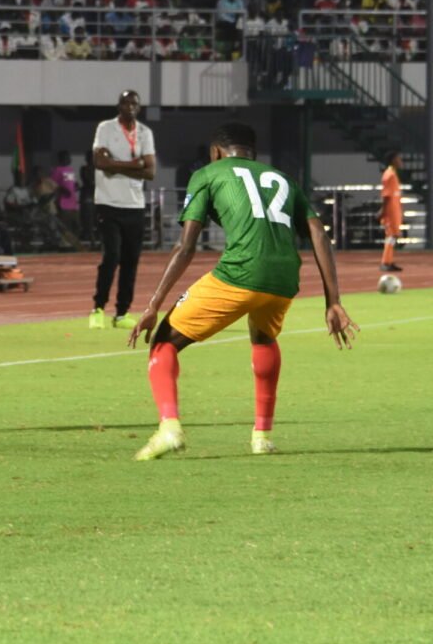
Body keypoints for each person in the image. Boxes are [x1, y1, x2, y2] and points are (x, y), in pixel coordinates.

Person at [127, 121, 357, 459]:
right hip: (284, 279)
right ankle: (262, 437)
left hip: (240, 273)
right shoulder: (282, 179)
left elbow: (186, 247)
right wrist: (333, 301)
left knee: (164, 343)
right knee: (263, 337)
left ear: (216, 152)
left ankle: (169, 428)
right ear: (253, 154)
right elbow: (319, 234)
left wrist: (153, 305)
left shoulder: (209, 173)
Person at [89, 89, 155, 329]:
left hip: (135, 205)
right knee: (111, 256)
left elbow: (150, 171)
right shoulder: (105, 128)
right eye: (126, 102)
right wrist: (133, 164)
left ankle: (122, 312)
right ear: (119, 105)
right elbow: (98, 162)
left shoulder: (145, 133)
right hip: (108, 203)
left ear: (139, 107)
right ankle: (97, 308)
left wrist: (114, 165)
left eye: (134, 103)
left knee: (131, 260)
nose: (130, 106)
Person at [379, 151, 404, 273]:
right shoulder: (389, 175)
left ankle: (388, 260)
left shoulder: (392, 174)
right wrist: (383, 211)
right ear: (393, 160)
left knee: (393, 236)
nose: (401, 161)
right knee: (390, 236)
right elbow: (386, 196)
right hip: (391, 211)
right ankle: (385, 262)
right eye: (398, 159)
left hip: (395, 210)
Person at [51, 149, 81, 244]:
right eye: (67, 157)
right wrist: (62, 189)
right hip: (63, 204)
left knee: (76, 226)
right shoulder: (57, 170)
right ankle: (65, 245)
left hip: (73, 203)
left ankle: (74, 243)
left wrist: (76, 185)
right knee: (65, 226)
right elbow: (53, 185)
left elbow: (72, 184)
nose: (69, 159)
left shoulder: (71, 170)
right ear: (62, 158)